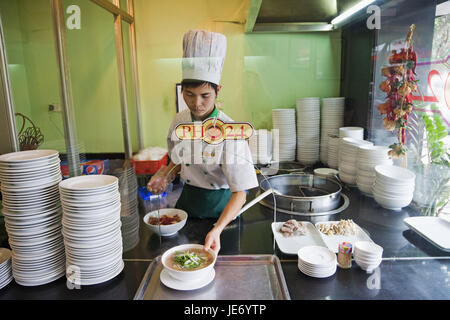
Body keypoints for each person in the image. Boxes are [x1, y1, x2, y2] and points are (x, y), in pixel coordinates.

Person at [147, 29, 258, 255]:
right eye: (189, 94)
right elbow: (179, 160)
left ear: (217, 90)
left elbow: (241, 193)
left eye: (205, 96)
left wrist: (217, 230)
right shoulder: (179, 121)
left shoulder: (229, 130)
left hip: (223, 215)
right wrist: (165, 175)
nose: (196, 103)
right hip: (186, 208)